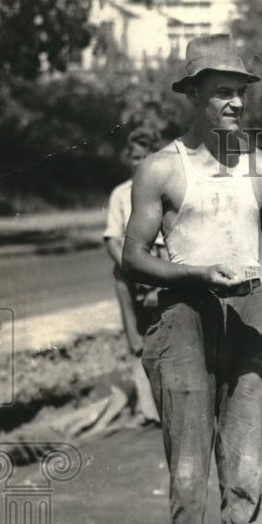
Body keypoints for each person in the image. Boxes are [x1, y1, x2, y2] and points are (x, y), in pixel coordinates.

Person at [122, 34, 262, 524]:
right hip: (184, 327)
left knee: (245, 478)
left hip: (248, 328)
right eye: (220, 90)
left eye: (239, 91)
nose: (233, 103)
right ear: (192, 94)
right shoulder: (163, 169)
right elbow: (133, 256)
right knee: (190, 481)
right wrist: (193, 274)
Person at [103, 126, 163, 425]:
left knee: (164, 332)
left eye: (145, 157)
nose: (139, 163)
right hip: (128, 270)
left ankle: (168, 403)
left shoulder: (164, 187)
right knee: (136, 339)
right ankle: (147, 409)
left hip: (159, 266)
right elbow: (111, 238)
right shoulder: (120, 194)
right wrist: (130, 266)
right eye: (135, 158)